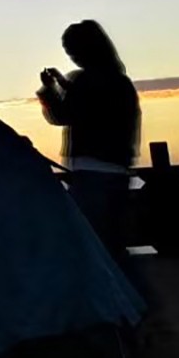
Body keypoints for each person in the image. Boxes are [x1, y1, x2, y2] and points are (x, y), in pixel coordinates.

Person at [37, 20, 140, 269]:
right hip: (117, 170)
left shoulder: (86, 82)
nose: (72, 57)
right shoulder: (119, 82)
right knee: (110, 241)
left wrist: (49, 91)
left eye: (72, 51)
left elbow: (61, 115)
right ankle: (127, 296)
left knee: (91, 243)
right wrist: (64, 85)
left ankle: (114, 299)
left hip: (91, 172)